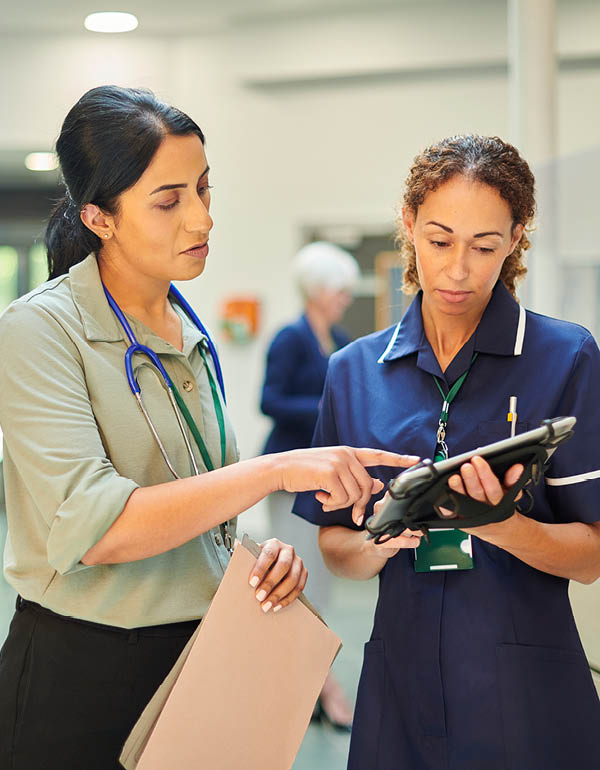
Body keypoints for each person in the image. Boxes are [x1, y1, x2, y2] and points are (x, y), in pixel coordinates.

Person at [0, 85, 414, 770]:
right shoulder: (39, 330)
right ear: (99, 217)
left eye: (203, 189)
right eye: (169, 201)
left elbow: (199, 502)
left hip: (198, 661)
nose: (202, 218)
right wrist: (275, 471)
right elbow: (96, 526)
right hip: (80, 677)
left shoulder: (188, 330)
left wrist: (247, 561)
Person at [294, 135, 600, 770]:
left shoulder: (566, 358)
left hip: (526, 690)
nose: (459, 269)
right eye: (439, 241)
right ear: (408, 226)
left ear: (516, 238)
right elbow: (334, 546)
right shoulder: (353, 371)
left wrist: (500, 525)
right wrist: (383, 539)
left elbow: (592, 556)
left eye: (485, 246)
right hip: (398, 687)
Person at [261, 241, 359, 730]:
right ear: (318, 290)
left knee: (319, 584)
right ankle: (320, 687)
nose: (345, 298)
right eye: (340, 290)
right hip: (287, 478)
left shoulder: (339, 338)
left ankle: (315, 682)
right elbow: (270, 400)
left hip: (323, 479)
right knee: (295, 584)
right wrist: (324, 411)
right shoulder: (289, 339)